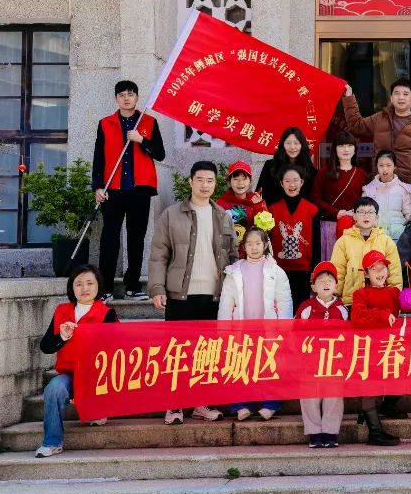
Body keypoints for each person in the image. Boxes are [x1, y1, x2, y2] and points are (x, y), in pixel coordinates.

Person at [148, 160, 236, 425]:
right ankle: (174, 405)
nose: (205, 185)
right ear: (190, 181)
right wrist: (157, 287)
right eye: (200, 180)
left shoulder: (223, 216)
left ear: (215, 184)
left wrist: (234, 294)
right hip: (180, 295)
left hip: (213, 296)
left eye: (210, 181)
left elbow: (232, 256)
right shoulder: (171, 215)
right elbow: (159, 254)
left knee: (207, 354)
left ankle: (201, 403)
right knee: (177, 352)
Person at [93, 80, 165, 301]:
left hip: (140, 190)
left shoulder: (149, 122)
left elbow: (160, 153)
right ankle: (105, 289)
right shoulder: (105, 123)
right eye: (122, 95)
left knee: (136, 238)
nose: (126, 98)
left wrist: (141, 140)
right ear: (116, 99)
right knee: (109, 238)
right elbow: (98, 158)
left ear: (137, 98)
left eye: (130, 94)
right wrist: (97, 187)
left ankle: (133, 286)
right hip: (112, 189)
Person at [36, 265, 116, 457]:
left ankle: (98, 407)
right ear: (72, 288)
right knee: (53, 388)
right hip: (70, 374)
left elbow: (115, 351)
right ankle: (52, 442)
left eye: (90, 283)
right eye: (78, 284)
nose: (84, 288)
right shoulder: (61, 311)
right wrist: (62, 337)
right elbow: (46, 347)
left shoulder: (107, 313)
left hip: (96, 376)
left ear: (98, 286)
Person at [217, 225, 294, 422]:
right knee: (240, 365)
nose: (253, 247)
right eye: (249, 244)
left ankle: (270, 404)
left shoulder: (276, 271)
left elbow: (284, 302)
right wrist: (224, 330)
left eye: (258, 243)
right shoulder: (234, 271)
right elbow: (226, 303)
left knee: (269, 366)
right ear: (243, 246)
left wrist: (284, 329)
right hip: (241, 329)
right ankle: (241, 405)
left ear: (265, 244)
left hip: (268, 329)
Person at [349, 249, 403, 446]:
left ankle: (389, 405)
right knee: (370, 387)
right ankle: (375, 431)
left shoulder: (394, 292)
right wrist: (382, 315)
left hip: (392, 347)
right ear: (366, 273)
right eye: (374, 269)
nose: (380, 272)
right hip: (369, 348)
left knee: (404, 374)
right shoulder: (360, 294)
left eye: (383, 268)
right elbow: (357, 316)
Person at [341, 79, 411, 185]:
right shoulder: (380, 118)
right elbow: (356, 126)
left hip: (409, 183)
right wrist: (349, 97)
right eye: (397, 93)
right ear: (391, 98)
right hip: (381, 181)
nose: (401, 97)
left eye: (405, 94)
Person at [295, 261, 349, 448]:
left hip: (335, 361)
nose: (326, 283)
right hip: (310, 361)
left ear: (336, 285)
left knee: (333, 396)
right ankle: (314, 432)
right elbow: (296, 333)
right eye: (321, 280)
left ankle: (330, 431)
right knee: (310, 395)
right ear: (313, 286)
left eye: (330, 280)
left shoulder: (342, 310)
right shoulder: (306, 308)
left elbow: (349, 336)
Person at [329, 196, 403, 306]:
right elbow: (338, 271)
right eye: (361, 212)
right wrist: (334, 296)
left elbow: (394, 272)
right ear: (354, 216)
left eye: (370, 212)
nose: (366, 215)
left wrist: (394, 296)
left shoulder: (386, 241)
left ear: (377, 216)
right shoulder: (343, 241)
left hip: (380, 300)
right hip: (351, 301)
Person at [267, 167, 321, 309]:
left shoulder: (312, 209)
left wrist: (315, 268)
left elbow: (317, 242)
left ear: (302, 182)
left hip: (304, 269)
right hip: (278, 269)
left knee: (301, 307)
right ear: (281, 183)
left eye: (295, 180)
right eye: (287, 181)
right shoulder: (272, 209)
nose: (292, 184)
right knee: (280, 307)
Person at [312, 131, 368, 260]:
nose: (346, 149)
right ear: (335, 149)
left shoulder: (361, 174)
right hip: (330, 225)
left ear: (355, 149)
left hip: (354, 227)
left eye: (349, 145)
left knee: (353, 262)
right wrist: (335, 212)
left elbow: (365, 201)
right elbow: (315, 198)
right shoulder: (325, 172)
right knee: (332, 261)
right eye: (341, 145)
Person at [362, 149, 411, 240]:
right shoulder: (369, 189)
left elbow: (409, 216)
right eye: (381, 165)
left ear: (394, 166)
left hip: (398, 237)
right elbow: (363, 214)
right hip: (375, 237)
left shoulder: (404, 189)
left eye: (388, 165)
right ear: (377, 166)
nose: (385, 169)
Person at [256, 127, 317, 205]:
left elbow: (313, 198)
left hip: (302, 212)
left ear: (302, 145)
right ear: (282, 145)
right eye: (288, 143)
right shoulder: (270, 166)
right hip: (273, 211)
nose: (292, 147)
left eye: (296, 143)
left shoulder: (308, 167)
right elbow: (259, 193)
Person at [217, 160, 264, 257]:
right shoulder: (221, 204)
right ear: (229, 182)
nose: (240, 183)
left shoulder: (256, 201)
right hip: (229, 255)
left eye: (244, 179)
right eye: (236, 179)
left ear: (250, 181)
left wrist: (258, 206)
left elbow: (265, 230)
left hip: (252, 254)